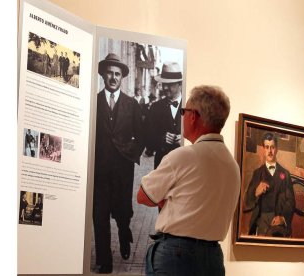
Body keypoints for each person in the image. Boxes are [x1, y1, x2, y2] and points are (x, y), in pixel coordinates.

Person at [137, 85, 240, 276]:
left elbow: (143, 196)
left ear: (193, 116)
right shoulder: (233, 166)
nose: (181, 116)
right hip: (213, 257)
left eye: (183, 111)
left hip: (176, 255)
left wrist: (168, 199)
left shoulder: (183, 156)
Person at [93, 53, 144, 274]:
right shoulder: (93, 103)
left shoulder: (131, 105)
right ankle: (105, 261)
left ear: (122, 77)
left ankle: (125, 234)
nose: (113, 77)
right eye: (110, 73)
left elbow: (142, 136)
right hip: (100, 172)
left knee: (123, 213)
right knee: (99, 216)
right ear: (103, 75)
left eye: (117, 74)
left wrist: (130, 153)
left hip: (123, 171)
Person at [245, 132, 296, 237]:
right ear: (263, 149)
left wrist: (282, 218)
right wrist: (256, 192)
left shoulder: (285, 174)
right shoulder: (257, 173)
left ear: (276, 149)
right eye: (267, 147)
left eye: (272, 147)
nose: (270, 151)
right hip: (261, 220)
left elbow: (291, 201)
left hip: (277, 221)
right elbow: (247, 201)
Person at [146, 62, 183, 169]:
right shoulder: (155, 108)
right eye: (163, 84)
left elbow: (199, 141)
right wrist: (161, 139)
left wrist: (185, 140)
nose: (165, 87)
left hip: (184, 168)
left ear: (180, 84)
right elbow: (148, 141)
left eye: (170, 84)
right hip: (161, 167)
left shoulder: (190, 107)